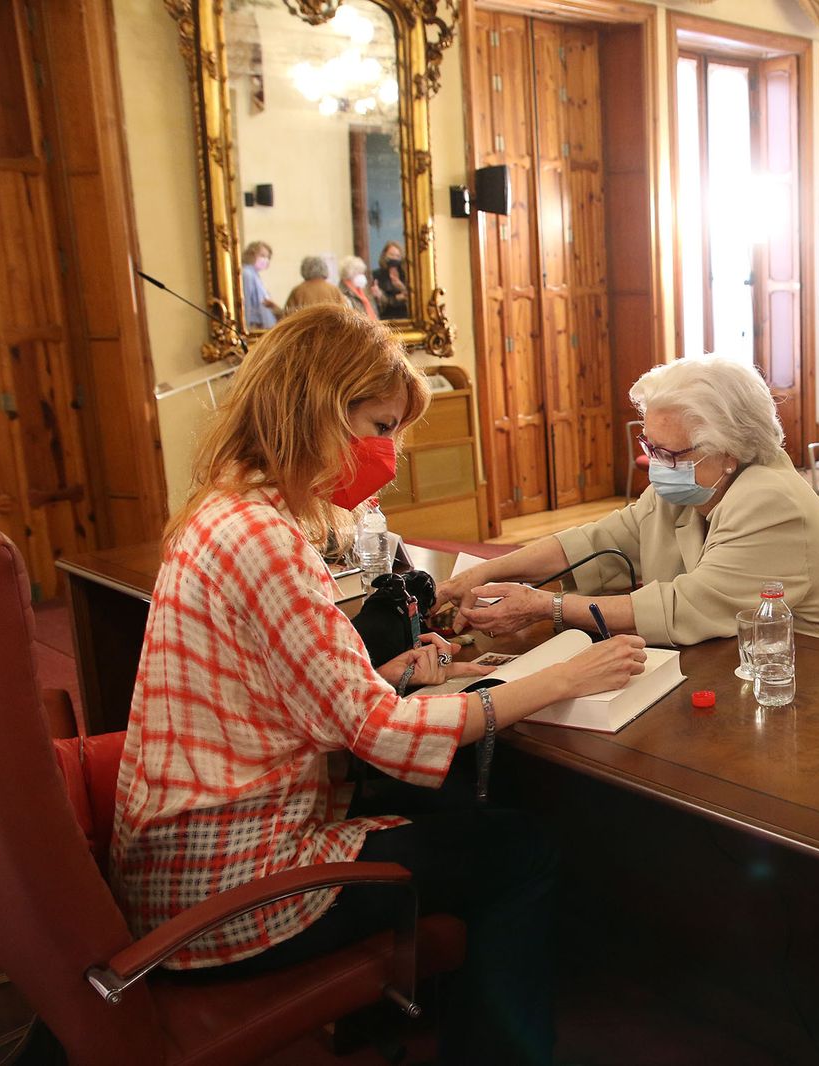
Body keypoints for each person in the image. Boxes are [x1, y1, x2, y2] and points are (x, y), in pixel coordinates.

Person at [110, 304, 649, 1065]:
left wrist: (382, 674)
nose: (390, 451)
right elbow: (385, 739)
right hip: (230, 893)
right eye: (381, 425)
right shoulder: (268, 539)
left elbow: (283, 690)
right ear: (317, 411)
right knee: (518, 848)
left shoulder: (223, 512)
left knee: (452, 810)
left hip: (181, 864)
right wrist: (564, 673)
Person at [435, 355, 819, 655]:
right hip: (758, 667)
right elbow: (598, 542)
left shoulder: (770, 500)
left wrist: (547, 606)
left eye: (670, 454)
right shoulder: (690, 486)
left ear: (730, 449)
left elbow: (685, 606)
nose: (655, 465)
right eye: (650, 446)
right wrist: (484, 573)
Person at [240, 240, 280, 329]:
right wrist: (246, 327)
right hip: (254, 325)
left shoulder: (254, 275)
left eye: (267, 257)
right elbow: (246, 302)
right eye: (262, 256)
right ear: (252, 254)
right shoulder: (247, 274)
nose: (265, 260)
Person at [372, 241, 410, 320]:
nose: (394, 258)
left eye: (397, 256)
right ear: (384, 255)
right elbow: (380, 301)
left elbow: (412, 296)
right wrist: (397, 298)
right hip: (385, 317)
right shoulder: (377, 274)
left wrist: (401, 286)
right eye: (391, 255)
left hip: (405, 316)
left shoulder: (407, 274)